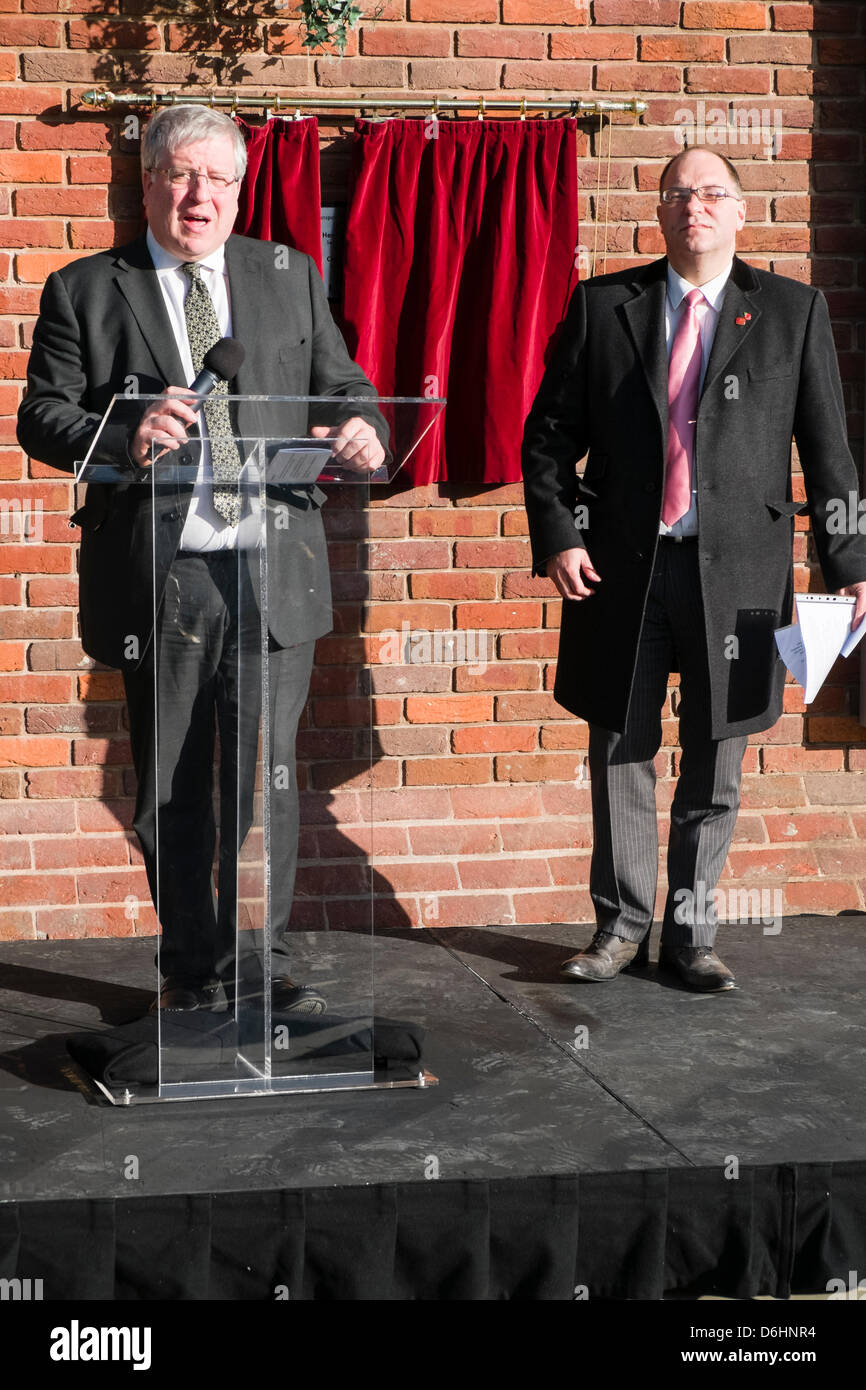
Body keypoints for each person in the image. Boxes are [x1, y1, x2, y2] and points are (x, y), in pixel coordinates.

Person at [17, 105, 386, 1014]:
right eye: (182, 174)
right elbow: (41, 417)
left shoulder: (286, 273)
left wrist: (365, 428)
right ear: (148, 182)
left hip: (272, 563)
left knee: (267, 782)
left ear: (239, 189)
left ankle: (264, 969)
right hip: (164, 575)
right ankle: (190, 972)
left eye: (220, 179)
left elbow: (345, 385)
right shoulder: (86, 288)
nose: (201, 196)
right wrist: (121, 431)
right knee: (174, 784)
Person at [521, 145, 866, 993]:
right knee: (619, 751)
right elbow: (549, 437)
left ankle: (690, 938)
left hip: (740, 580)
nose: (695, 208)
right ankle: (617, 928)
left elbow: (830, 456)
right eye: (678, 194)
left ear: (741, 212)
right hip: (622, 574)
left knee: (716, 758)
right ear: (660, 210)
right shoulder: (606, 306)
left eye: (713, 194)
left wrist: (850, 561)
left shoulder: (791, 310)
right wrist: (561, 535)